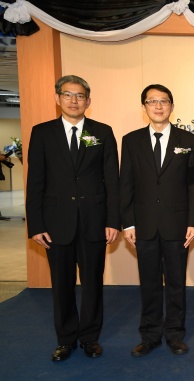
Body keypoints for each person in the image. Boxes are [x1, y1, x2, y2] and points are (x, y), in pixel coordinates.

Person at [26, 75, 120, 361]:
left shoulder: (102, 132)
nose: (74, 100)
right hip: (56, 224)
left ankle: (90, 338)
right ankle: (65, 339)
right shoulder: (42, 133)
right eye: (67, 95)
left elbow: (112, 181)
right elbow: (35, 181)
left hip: (94, 222)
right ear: (58, 98)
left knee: (92, 284)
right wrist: (36, 224)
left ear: (88, 101)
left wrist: (113, 221)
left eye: (79, 96)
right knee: (62, 284)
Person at [120, 84, 194, 357]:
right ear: (144, 107)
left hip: (178, 225)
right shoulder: (131, 141)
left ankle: (175, 334)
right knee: (149, 283)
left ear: (172, 106)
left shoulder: (189, 141)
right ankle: (150, 335)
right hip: (144, 225)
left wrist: (193, 221)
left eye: (163, 101)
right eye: (152, 101)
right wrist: (128, 223)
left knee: (176, 283)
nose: (158, 106)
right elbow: (126, 184)